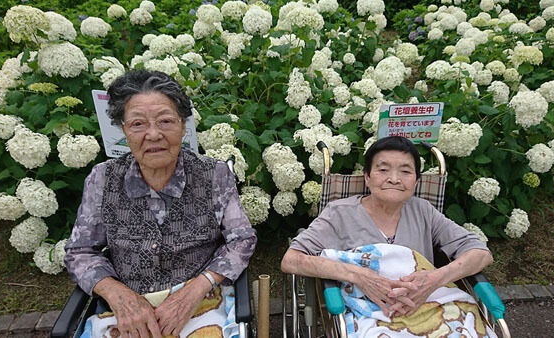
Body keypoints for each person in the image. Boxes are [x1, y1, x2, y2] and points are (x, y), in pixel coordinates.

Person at [65, 70, 257, 338]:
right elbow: (80, 251)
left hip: (200, 304)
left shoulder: (213, 174)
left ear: (182, 124)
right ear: (123, 129)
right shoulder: (103, 178)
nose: (153, 135)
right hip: (128, 309)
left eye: (165, 121)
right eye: (138, 124)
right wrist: (118, 295)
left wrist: (197, 289)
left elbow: (241, 240)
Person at [281, 135, 493, 320]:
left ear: (416, 181)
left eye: (405, 171)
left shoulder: (423, 211)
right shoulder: (339, 213)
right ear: (367, 177)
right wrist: (359, 276)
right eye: (383, 170)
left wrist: (435, 278)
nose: (394, 179)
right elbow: (292, 260)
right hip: (367, 315)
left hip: (423, 308)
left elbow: (481, 253)